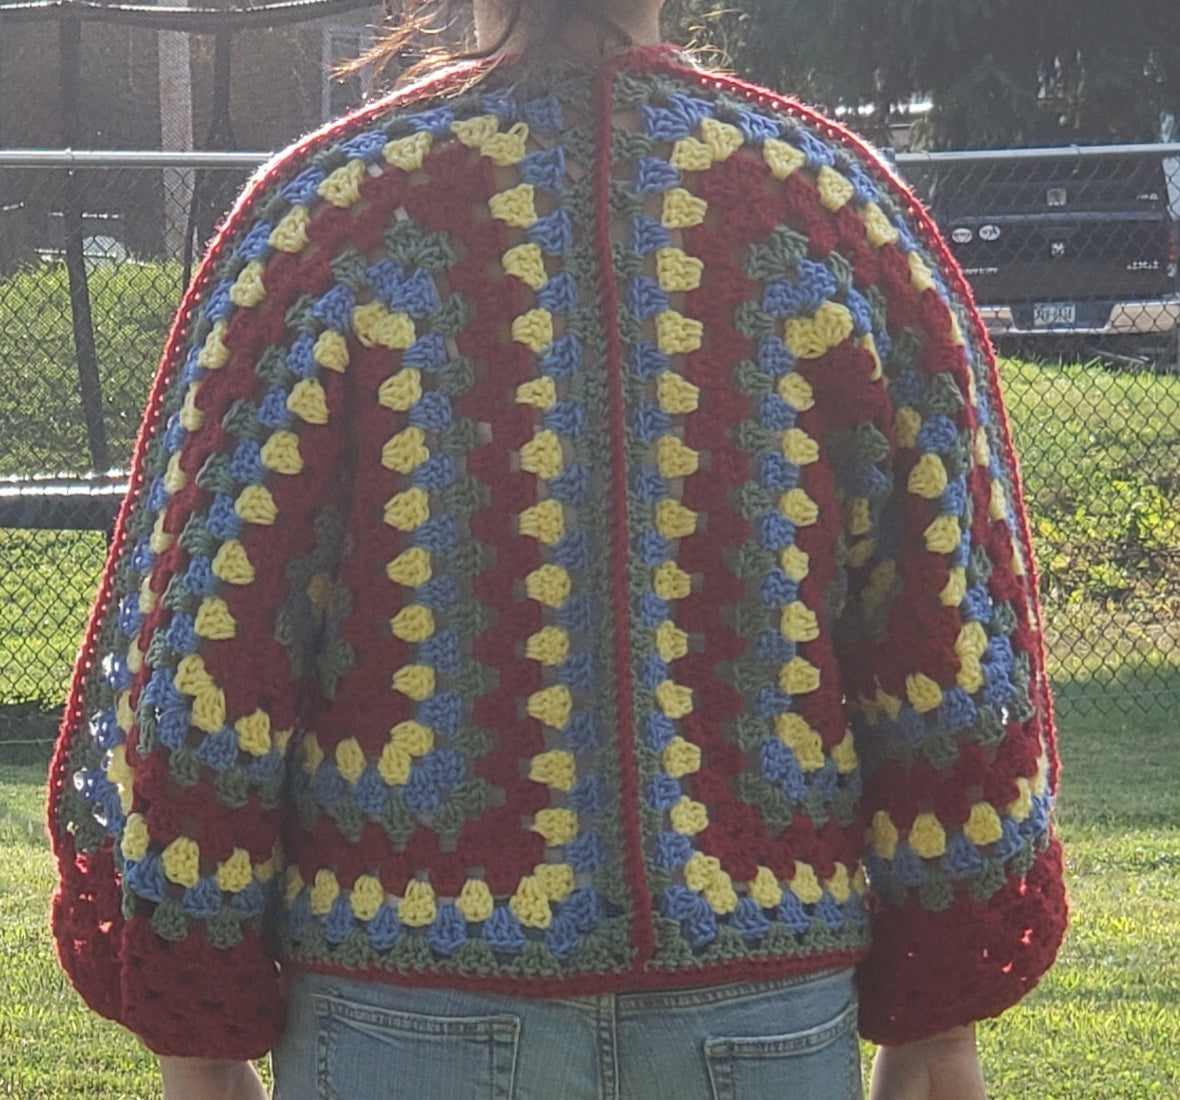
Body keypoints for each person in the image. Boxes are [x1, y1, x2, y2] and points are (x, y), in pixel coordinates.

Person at [47, 0, 1067, 1096]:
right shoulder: (836, 215)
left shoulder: (325, 223)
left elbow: (210, 655)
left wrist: (196, 1031)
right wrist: (942, 1007)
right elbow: (946, 643)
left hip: (400, 1006)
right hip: (762, 1000)